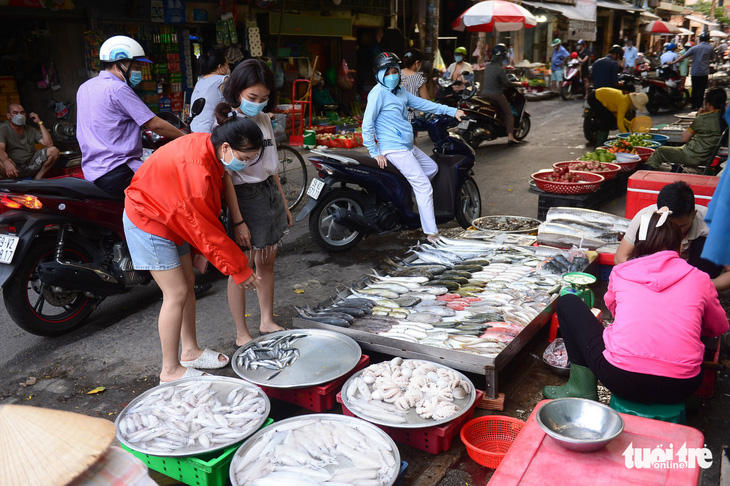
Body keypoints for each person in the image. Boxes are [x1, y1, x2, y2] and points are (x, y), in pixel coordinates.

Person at [123, 104, 264, 383]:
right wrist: (239, 269)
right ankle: (170, 369)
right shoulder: (196, 169)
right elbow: (202, 226)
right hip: (148, 218)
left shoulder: (209, 146)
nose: (246, 164)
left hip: (172, 215)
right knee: (175, 293)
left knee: (188, 285)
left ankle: (190, 351)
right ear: (226, 147)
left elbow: (201, 218)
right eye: (244, 157)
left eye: (252, 158)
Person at [544, 208, 729, 403]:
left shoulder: (621, 272)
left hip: (620, 378)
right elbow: (718, 327)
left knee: (567, 302)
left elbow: (616, 313)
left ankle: (581, 388)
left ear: (639, 245)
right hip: (682, 386)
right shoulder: (700, 279)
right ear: (679, 247)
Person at [221, 58, 291, 349]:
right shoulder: (225, 123)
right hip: (244, 197)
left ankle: (266, 320)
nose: (258, 104)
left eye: (263, 99)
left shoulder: (262, 117)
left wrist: (284, 204)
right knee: (242, 267)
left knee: (268, 262)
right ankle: (241, 332)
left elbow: (272, 168)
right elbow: (225, 176)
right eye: (252, 98)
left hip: (268, 193)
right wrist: (238, 221)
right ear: (237, 91)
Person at [362, 52, 465, 240]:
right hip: (393, 148)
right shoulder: (377, 94)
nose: (393, 75)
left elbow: (425, 105)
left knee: (432, 168)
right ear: (379, 74)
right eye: (388, 72)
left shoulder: (400, 91)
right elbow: (367, 124)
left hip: (407, 147)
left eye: (395, 70)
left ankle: (409, 200)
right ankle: (432, 233)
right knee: (424, 186)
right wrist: (374, 151)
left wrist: (453, 111)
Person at [76, 35, 185, 198]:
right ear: (120, 63)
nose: (138, 70)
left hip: (93, 172)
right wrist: (186, 137)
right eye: (136, 65)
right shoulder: (118, 89)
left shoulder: (84, 87)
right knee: (171, 193)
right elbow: (154, 124)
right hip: (119, 170)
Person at [614, 181, 730, 290]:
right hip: (655, 276)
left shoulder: (715, 224)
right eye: (670, 226)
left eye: (682, 226)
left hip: (696, 278)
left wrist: (703, 286)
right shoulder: (646, 218)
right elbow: (620, 258)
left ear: (693, 215)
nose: (677, 232)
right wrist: (649, 279)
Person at [642, 87, 726, 170]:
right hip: (706, 157)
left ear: (708, 103)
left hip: (692, 156)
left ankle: (644, 175)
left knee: (660, 151)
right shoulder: (724, 118)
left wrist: (699, 117)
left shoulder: (703, 118)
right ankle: (674, 170)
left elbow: (684, 138)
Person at [0, 103, 59, 179]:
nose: (19, 115)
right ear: (8, 116)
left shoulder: (30, 129)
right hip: (13, 168)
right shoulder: (3, 129)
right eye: (15, 113)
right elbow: (0, 149)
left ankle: (37, 179)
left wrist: (40, 123)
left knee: (54, 151)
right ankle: (12, 183)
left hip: (31, 166)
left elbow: (49, 144)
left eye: (22, 112)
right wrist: (6, 162)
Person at [479, 43, 520, 145]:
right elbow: (506, 83)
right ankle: (510, 137)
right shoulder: (500, 69)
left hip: (484, 94)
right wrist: (516, 83)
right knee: (508, 113)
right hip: (496, 95)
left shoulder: (487, 66)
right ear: (502, 56)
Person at [669, 31, 714, 111]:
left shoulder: (694, 48)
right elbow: (712, 58)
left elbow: (683, 56)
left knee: (695, 88)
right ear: (707, 40)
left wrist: (673, 62)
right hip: (704, 72)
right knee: (701, 89)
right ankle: (699, 105)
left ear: (700, 40)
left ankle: (693, 105)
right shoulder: (710, 48)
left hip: (695, 72)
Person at [190, 49, 230, 133]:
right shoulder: (223, 80)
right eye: (227, 64)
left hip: (194, 130)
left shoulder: (200, 81)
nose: (229, 67)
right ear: (220, 67)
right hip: (212, 132)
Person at [401, 48, 430, 121]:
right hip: (411, 119)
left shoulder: (397, 73)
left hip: (395, 116)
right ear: (417, 63)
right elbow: (426, 100)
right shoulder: (419, 78)